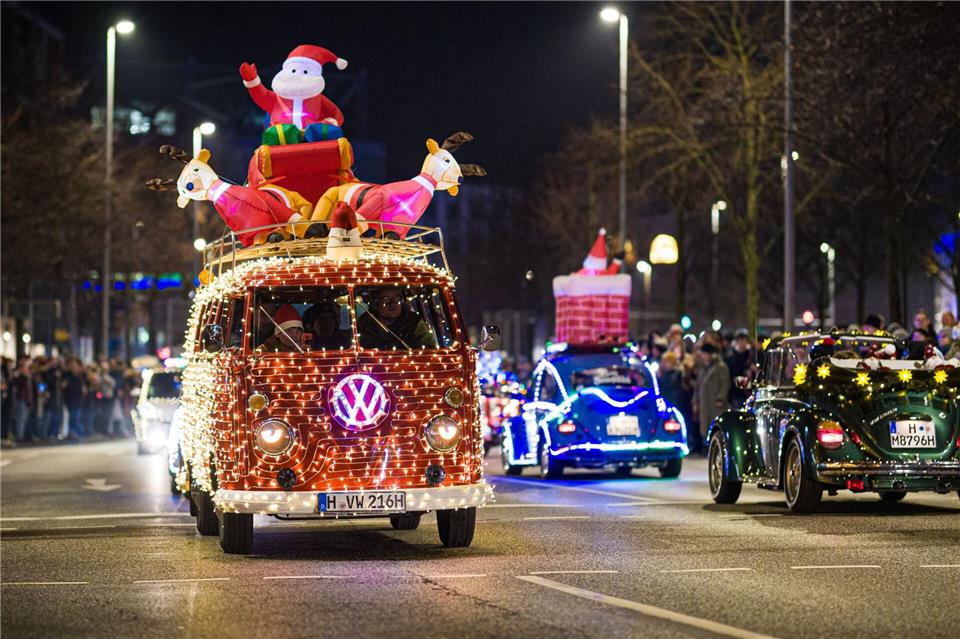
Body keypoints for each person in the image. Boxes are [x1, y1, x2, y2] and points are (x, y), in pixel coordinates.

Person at [357, 287, 437, 350]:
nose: (392, 304)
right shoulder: (364, 325)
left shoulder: (414, 321)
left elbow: (428, 349)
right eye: (386, 299)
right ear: (375, 304)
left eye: (397, 298)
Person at [693, 342, 730, 455]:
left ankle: (715, 449)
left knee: (714, 425)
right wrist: (695, 401)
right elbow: (698, 386)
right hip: (704, 402)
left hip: (715, 403)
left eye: (704, 353)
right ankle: (706, 447)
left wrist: (720, 398)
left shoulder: (720, 367)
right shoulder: (703, 368)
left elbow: (725, 383)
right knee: (704, 425)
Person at [725, 329, 754, 409]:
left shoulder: (751, 356)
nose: (743, 342)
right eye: (741, 340)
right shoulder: (731, 359)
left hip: (751, 396)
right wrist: (749, 383)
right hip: (737, 396)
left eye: (745, 340)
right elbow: (733, 379)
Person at [63, 358, 87, 439]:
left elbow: (84, 387)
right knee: (73, 417)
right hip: (70, 399)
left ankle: (75, 433)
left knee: (75, 417)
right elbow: (63, 386)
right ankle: (79, 433)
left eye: (75, 365)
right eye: (71, 365)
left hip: (79, 400)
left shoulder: (81, 376)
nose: (73, 367)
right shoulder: (67, 375)